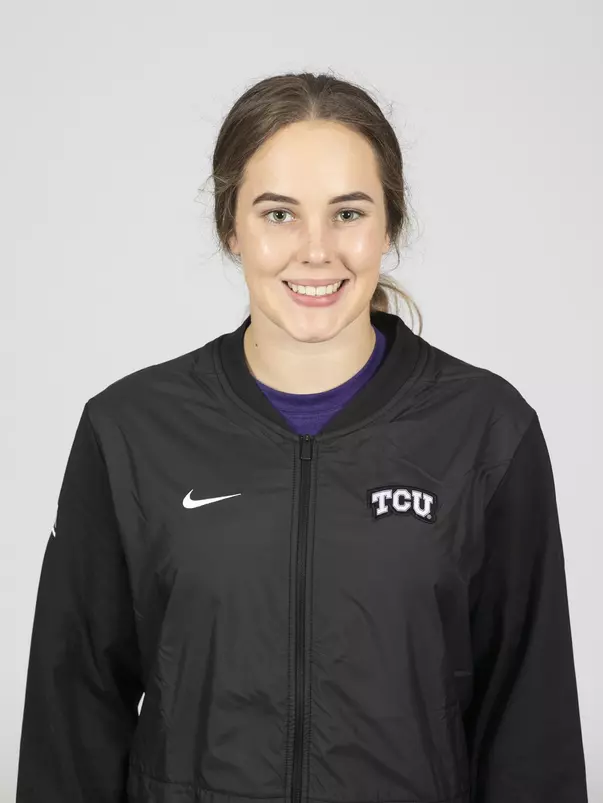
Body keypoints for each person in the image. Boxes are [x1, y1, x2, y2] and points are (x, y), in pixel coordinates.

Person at [16, 72, 588, 803]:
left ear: (389, 225)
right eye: (278, 213)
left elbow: (529, 727)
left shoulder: (483, 431)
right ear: (232, 227)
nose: (315, 251)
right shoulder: (130, 430)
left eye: (347, 212)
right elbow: (71, 721)